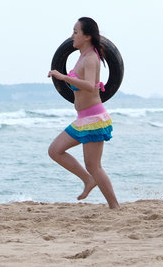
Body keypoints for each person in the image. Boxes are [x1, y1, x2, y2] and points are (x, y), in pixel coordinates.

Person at [48, 17, 120, 209]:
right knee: (55, 150)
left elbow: (89, 86)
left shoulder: (91, 58)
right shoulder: (82, 56)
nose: (72, 36)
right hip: (83, 119)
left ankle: (115, 206)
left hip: (94, 119)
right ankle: (88, 180)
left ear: (87, 36)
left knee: (94, 165)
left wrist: (63, 77)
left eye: (75, 32)